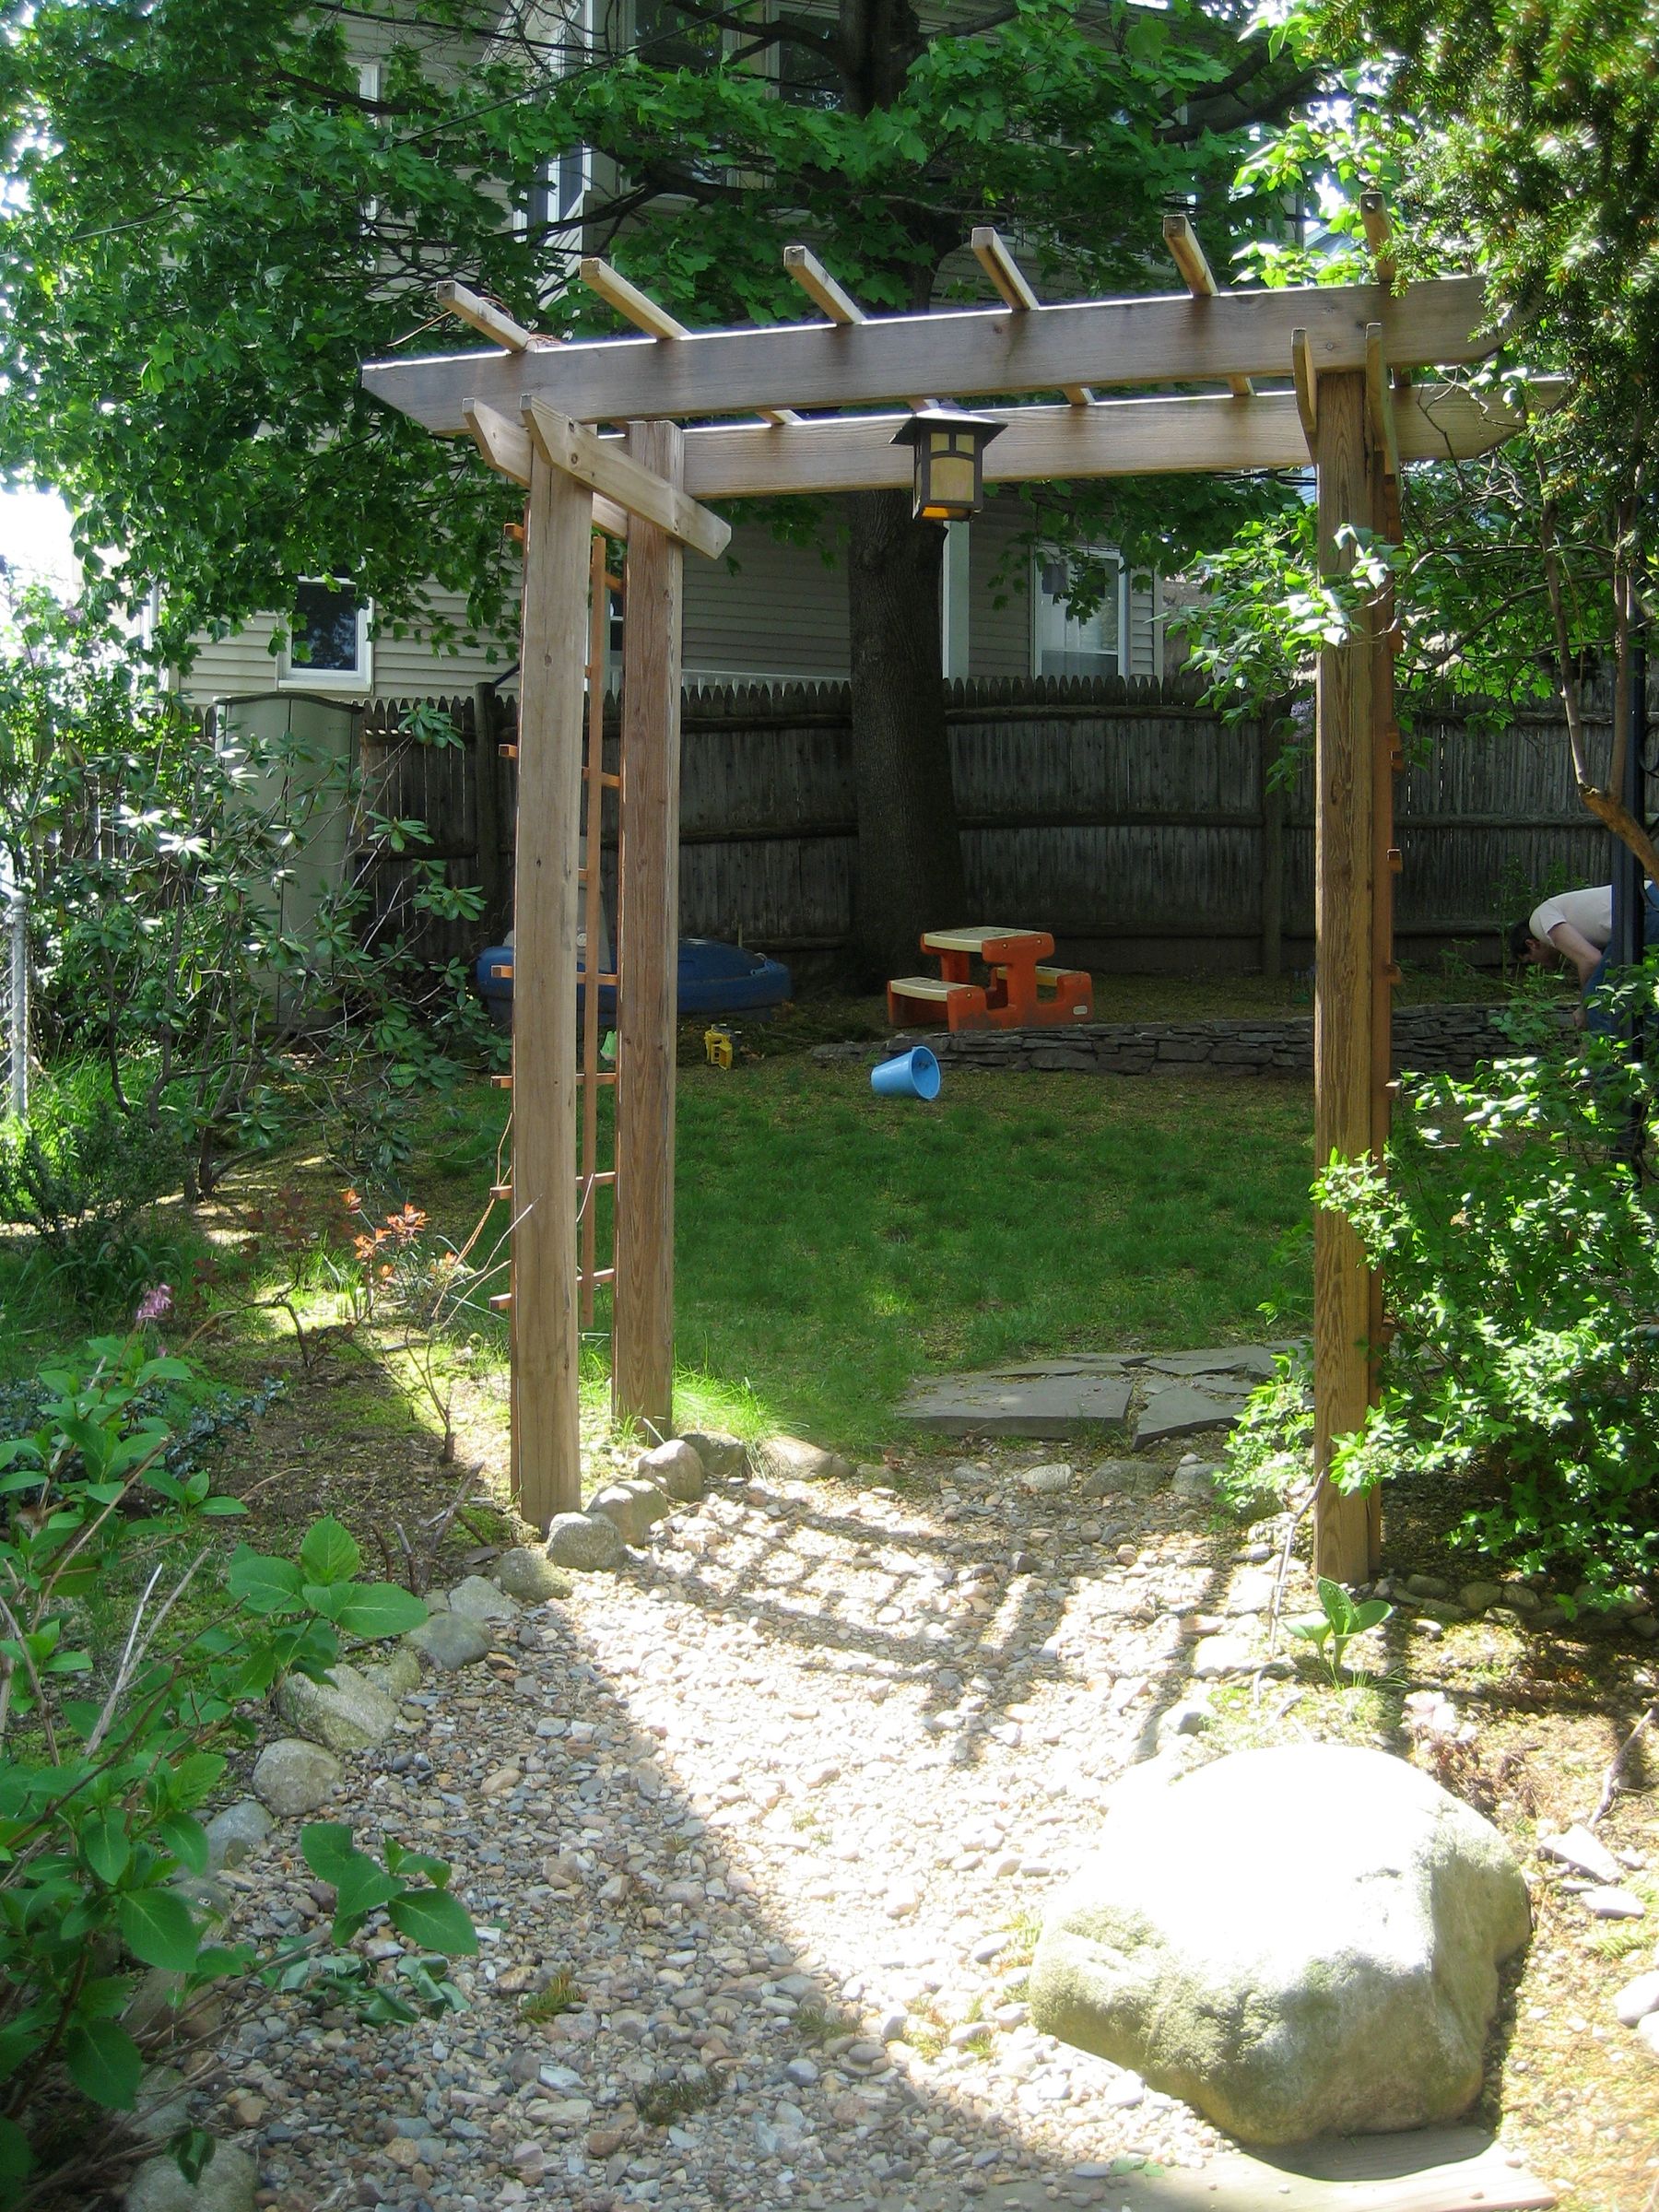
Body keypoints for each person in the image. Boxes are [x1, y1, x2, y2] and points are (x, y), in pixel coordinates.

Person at [1509, 878, 1659, 1025]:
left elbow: (1591, 960)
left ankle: (1611, 1050)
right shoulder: (1580, 925)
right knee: (1645, 996)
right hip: (1649, 899)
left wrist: (1583, 1008)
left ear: (1532, 944)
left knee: (1596, 1005)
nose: (1537, 965)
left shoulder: (1538, 920)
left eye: (1530, 960)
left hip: (1641, 909)